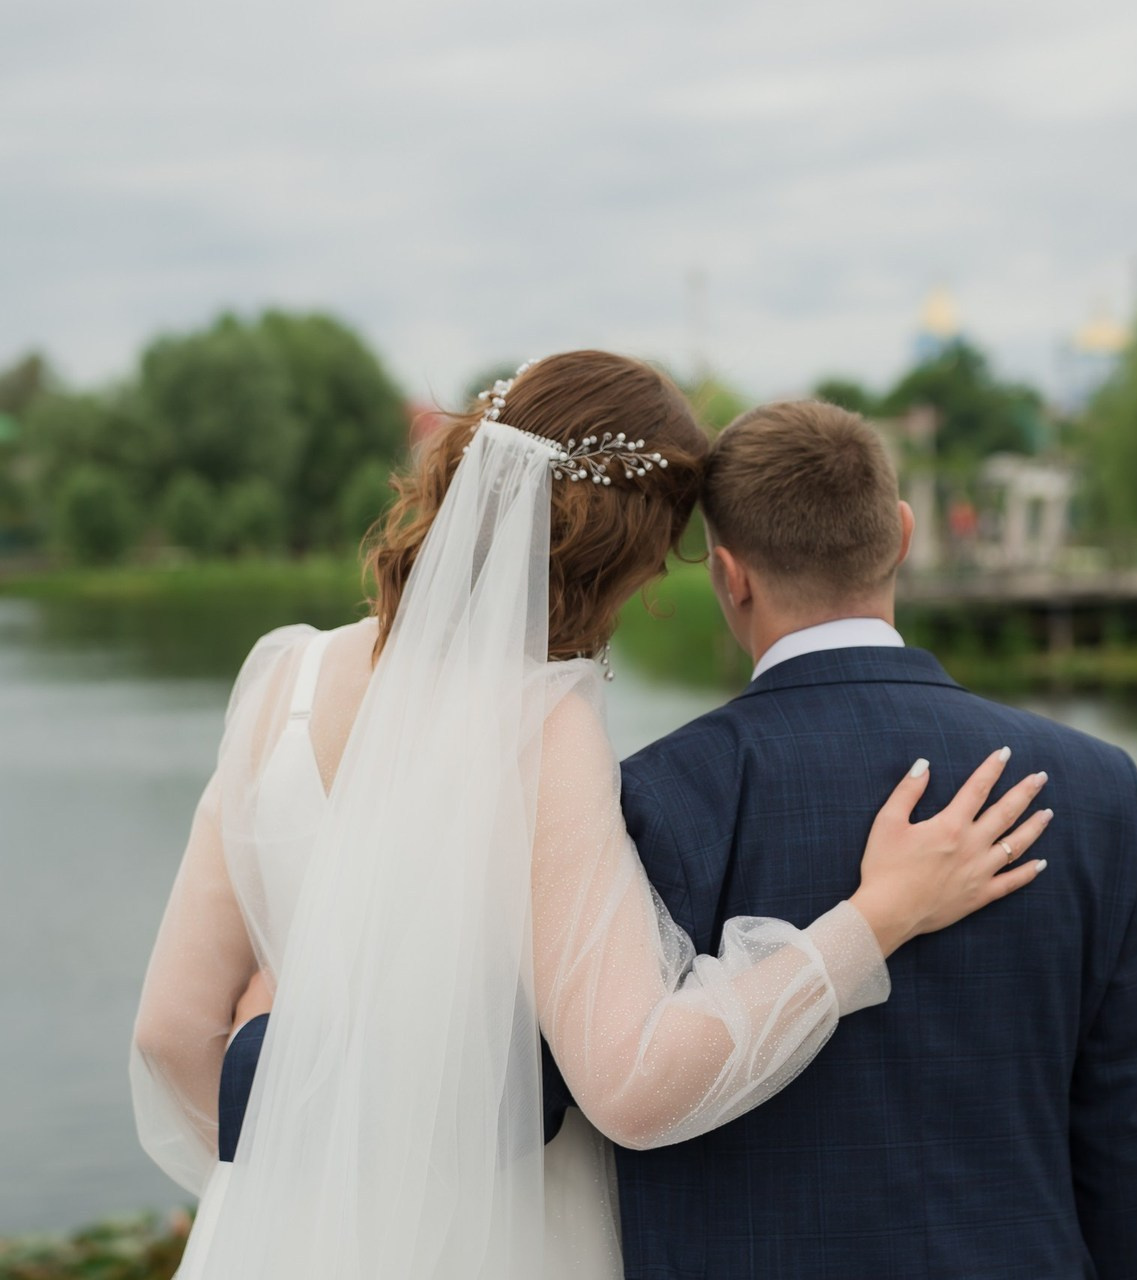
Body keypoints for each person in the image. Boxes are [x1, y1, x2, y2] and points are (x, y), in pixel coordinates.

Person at [131, 354, 1051, 1280]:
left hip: (281, 1237)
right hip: (502, 1238)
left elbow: (169, 1035)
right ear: (626, 554)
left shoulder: (283, 681)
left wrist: (326, 1171)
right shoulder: (540, 720)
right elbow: (634, 1083)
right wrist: (879, 916)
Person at [543, 400, 1137, 1280]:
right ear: (903, 534)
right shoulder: (1098, 788)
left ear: (730, 574)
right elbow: (1123, 1125)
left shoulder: (655, 798)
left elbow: (562, 1092)